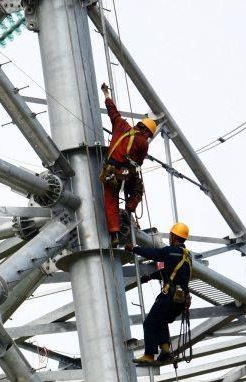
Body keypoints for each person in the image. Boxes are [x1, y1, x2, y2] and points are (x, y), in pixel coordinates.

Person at [126, 222, 192, 365]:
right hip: (181, 299)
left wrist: (134, 249)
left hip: (169, 296)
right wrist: (150, 277)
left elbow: (154, 254)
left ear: (174, 237)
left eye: (171, 235)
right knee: (161, 321)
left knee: (150, 323)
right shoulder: (187, 256)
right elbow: (169, 272)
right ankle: (166, 351)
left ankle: (149, 355)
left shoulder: (170, 251)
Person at [100, 83, 157, 246]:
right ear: (147, 131)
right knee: (137, 187)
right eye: (149, 135)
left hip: (111, 171)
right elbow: (139, 162)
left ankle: (114, 233)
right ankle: (130, 207)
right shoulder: (143, 142)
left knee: (111, 199)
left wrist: (106, 94)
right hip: (125, 173)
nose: (148, 138)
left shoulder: (121, 125)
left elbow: (112, 111)